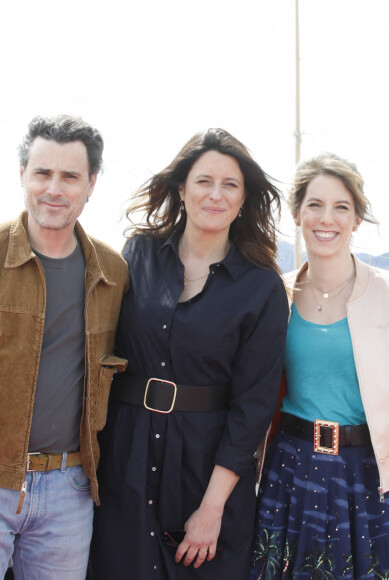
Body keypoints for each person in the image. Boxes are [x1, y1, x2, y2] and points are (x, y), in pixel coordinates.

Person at [89, 128, 289, 579]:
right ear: (182, 189)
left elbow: (253, 407)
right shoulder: (137, 254)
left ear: (243, 199)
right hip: (126, 461)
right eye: (204, 181)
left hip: (207, 472)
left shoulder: (262, 287)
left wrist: (212, 508)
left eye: (230, 185)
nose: (215, 195)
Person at [248, 153, 389, 580]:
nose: (326, 218)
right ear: (297, 213)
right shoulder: (273, 295)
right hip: (289, 475)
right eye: (315, 204)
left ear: (356, 219)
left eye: (342, 207)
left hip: (368, 479)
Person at [0, 115, 129, 579]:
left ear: (91, 184)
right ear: (22, 176)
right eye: (42, 173)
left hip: (68, 490)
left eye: (70, 176)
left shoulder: (114, 273)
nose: (54, 188)